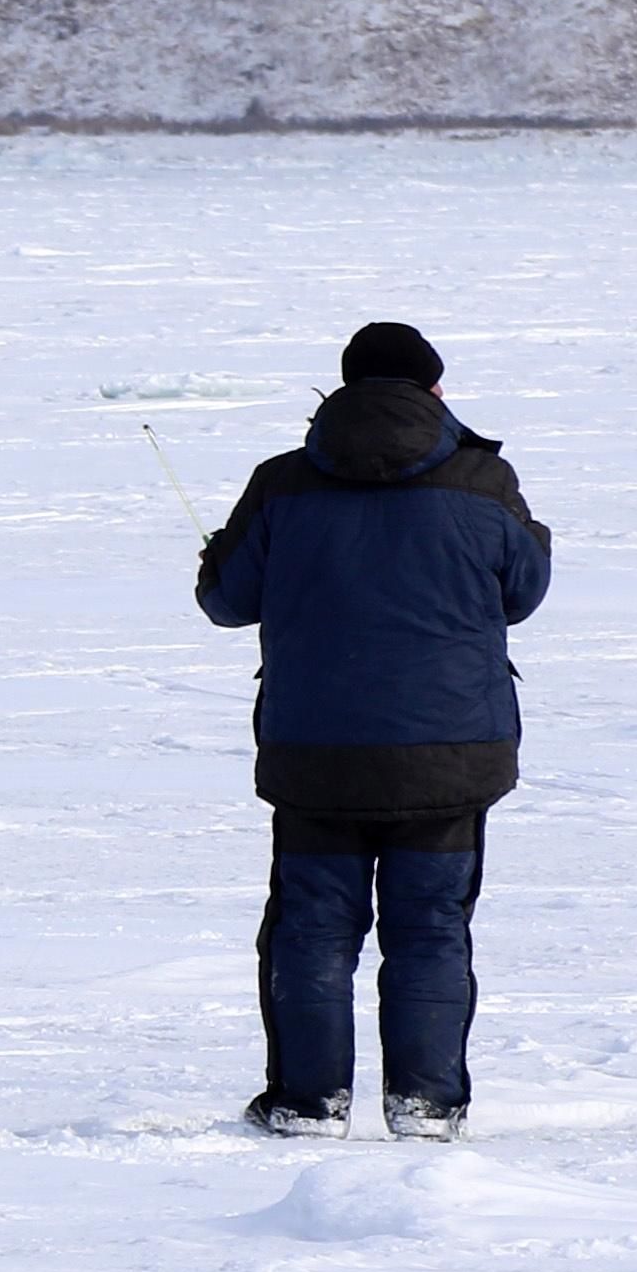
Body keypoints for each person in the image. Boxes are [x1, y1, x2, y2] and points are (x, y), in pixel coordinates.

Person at [196, 321, 549, 1141]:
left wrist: (218, 555)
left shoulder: (281, 484)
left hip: (318, 754)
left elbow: (224, 601)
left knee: (313, 928)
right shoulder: (484, 479)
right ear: (433, 389)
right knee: (430, 928)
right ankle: (425, 1103)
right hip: (450, 754)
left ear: (344, 389)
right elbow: (523, 592)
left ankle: (307, 1102)